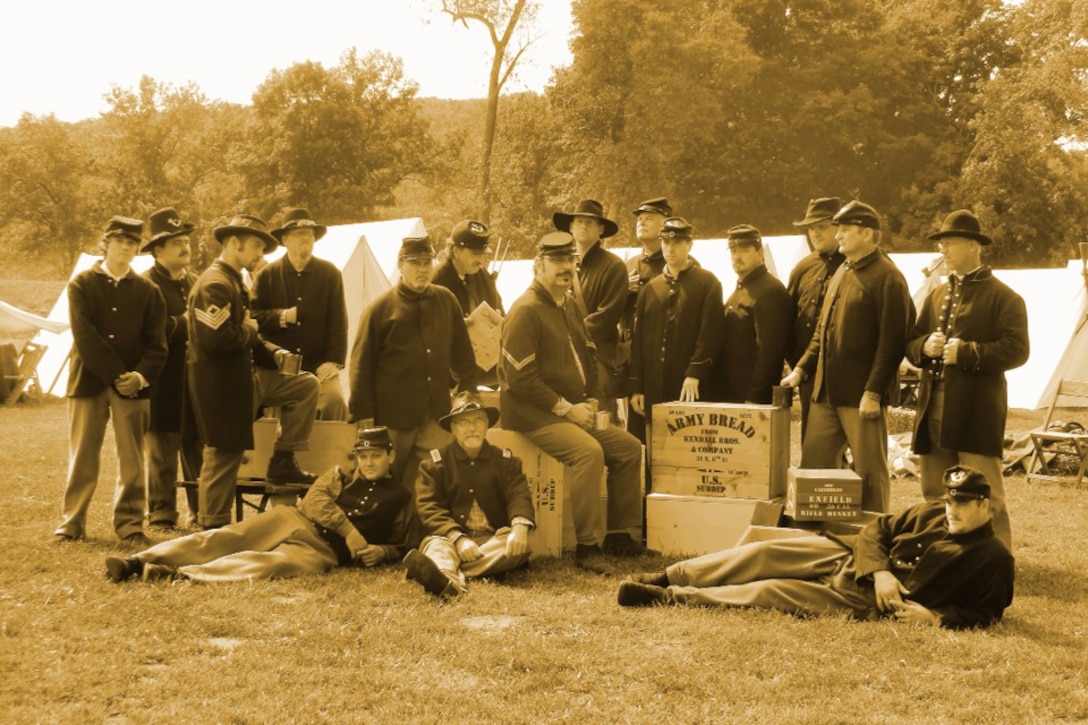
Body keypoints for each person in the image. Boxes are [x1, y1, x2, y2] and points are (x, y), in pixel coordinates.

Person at [618, 465, 1014, 630]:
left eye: (961, 504)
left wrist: (934, 618)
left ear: (984, 505)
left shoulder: (993, 556)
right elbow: (878, 529)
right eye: (949, 501)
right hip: (853, 559)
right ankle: (669, 574)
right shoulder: (930, 512)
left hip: (865, 600)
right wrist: (880, 572)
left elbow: (987, 611)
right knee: (762, 553)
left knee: (769, 592)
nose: (952, 510)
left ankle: (670, 597)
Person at [499, 231, 646, 573]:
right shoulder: (524, 310)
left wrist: (592, 397)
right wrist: (568, 408)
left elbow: (589, 355)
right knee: (588, 452)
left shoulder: (569, 302)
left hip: (571, 411)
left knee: (628, 447)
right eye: (558, 262)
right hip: (533, 416)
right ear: (538, 266)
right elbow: (520, 379)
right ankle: (587, 547)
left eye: (570, 261)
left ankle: (619, 535)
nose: (566, 268)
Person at [104, 426, 417, 583]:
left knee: (270, 564)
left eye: (376, 455)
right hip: (295, 520)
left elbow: (402, 542)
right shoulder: (341, 475)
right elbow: (314, 501)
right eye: (364, 456)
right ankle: (136, 561)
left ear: (390, 456)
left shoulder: (401, 496)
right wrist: (348, 529)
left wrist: (382, 552)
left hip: (325, 551)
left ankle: (178, 574)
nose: (369, 462)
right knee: (226, 537)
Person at [187, 214, 320, 530]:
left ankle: (284, 460)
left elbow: (248, 333)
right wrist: (248, 330)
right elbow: (217, 339)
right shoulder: (214, 285)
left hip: (246, 381)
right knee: (222, 456)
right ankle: (212, 529)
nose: (261, 254)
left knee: (305, 386)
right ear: (234, 243)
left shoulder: (234, 282)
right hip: (221, 386)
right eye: (256, 246)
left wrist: (274, 353)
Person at [905, 210, 1028, 550]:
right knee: (934, 487)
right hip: (933, 403)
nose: (943, 250)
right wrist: (924, 347)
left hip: (976, 406)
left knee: (984, 489)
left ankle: (996, 556)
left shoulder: (1003, 297)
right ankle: (941, 551)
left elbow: (1017, 350)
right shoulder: (936, 295)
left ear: (974, 245)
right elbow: (911, 342)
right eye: (941, 243)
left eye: (950, 243)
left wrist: (968, 353)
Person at [782, 201, 914, 513]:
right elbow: (821, 332)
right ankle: (816, 537)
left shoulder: (888, 277)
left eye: (844, 229)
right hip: (824, 392)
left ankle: (874, 535)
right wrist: (801, 369)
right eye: (837, 228)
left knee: (870, 473)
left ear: (867, 233)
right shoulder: (843, 270)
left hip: (861, 396)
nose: (837, 235)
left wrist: (873, 392)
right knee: (814, 468)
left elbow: (892, 343)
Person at [53, 216, 167, 546]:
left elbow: (158, 343)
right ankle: (71, 522)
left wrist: (140, 376)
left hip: (134, 387)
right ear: (106, 243)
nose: (126, 248)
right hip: (88, 382)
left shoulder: (149, 290)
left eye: (132, 243)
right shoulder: (81, 284)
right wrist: (118, 375)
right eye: (120, 241)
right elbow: (85, 337)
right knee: (82, 455)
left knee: (132, 458)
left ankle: (130, 524)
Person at [348, 233, 477, 493]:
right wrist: (364, 415)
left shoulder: (446, 301)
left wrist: (466, 396)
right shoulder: (379, 309)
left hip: (435, 416)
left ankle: (423, 533)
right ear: (400, 265)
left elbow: (464, 358)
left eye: (427, 263)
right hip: (392, 418)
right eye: (415, 263)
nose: (422, 269)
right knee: (381, 484)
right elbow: (361, 365)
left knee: (433, 483)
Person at [403, 391, 534, 597]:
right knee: (437, 545)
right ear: (453, 428)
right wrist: (458, 539)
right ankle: (449, 582)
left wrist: (519, 528)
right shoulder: (434, 464)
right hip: (450, 539)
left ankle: (444, 573)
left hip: (492, 541)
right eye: (464, 422)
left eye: (478, 421)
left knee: (517, 547)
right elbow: (429, 508)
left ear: (487, 425)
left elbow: (519, 495)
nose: (472, 428)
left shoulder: (506, 461)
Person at [628, 217, 724, 453]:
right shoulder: (651, 289)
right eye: (666, 243)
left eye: (677, 243)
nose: (670, 249)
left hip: (688, 386)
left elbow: (711, 333)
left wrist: (695, 371)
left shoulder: (707, 283)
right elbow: (639, 341)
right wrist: (637, 386)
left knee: (689, 450)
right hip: (654, 385)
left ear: (689, 245)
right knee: (655, 451)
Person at [251, 208, 349, 421]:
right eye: (298, 234)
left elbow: (339, 322)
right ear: (285, 240)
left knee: (335, 402)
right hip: (277, 370)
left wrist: (333, 362)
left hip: (318, 368)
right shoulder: (266, 275)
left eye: (309, 233)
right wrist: (282, 317)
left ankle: (332, 454)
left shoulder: (330, 274)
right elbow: (252, 317)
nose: (305, 238)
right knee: (255, 408)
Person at [141, 207, 202, 531]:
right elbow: (147, 331)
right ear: (158, 249)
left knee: (197, 450)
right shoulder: (145, 285)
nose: (184, 247)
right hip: (162, 380)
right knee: (162, 452)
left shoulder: (196, 282)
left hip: (195, 380)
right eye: (175, 242)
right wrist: (185, 323)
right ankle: (162, 514)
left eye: (185, 240)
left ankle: (201, 510)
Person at [554, 199, 628, 413]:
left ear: (601, 229)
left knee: (601, 428)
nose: (583, 226)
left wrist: (566, 335)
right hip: (563, 364)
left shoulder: (613, 266)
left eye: (590, 222)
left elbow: (605, 318)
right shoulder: (560, 264)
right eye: (578, 221)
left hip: (597, 363)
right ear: (570, 226)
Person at [712, 224, 795, 404]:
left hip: (752, 398)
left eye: (744, 250)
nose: (737, 257)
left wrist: (756, 396)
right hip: (733, 394)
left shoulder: (769, 291)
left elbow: (770, 352)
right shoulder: (743, 288)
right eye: (733, 251)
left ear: (760, 253)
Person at [787, 197, 846, 439]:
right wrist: (798, 364)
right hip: (808, 374)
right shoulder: (802, 268)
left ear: (838, 227)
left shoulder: (855, 264)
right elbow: (788, 319)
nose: (815, 233)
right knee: (812, 445)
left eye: (821, 227)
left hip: (846, 375)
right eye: (811, 228)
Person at [620, 197, 673, 440]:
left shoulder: (675, 263)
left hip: (666, 359)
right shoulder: (629, 265)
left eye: (649, 218)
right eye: (639, 219)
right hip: (635, 359)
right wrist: (622, 292)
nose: (641, 222)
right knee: (636, 435)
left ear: (665, 224)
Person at [430, 219, 505, 386]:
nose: (480, 259)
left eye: (482, 253)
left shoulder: (483, 276)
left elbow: (499, 309)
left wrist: (497, 321)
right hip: (448, 379)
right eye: (474, 253)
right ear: (455, 251)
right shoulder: (435, 281)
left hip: (485, 373)